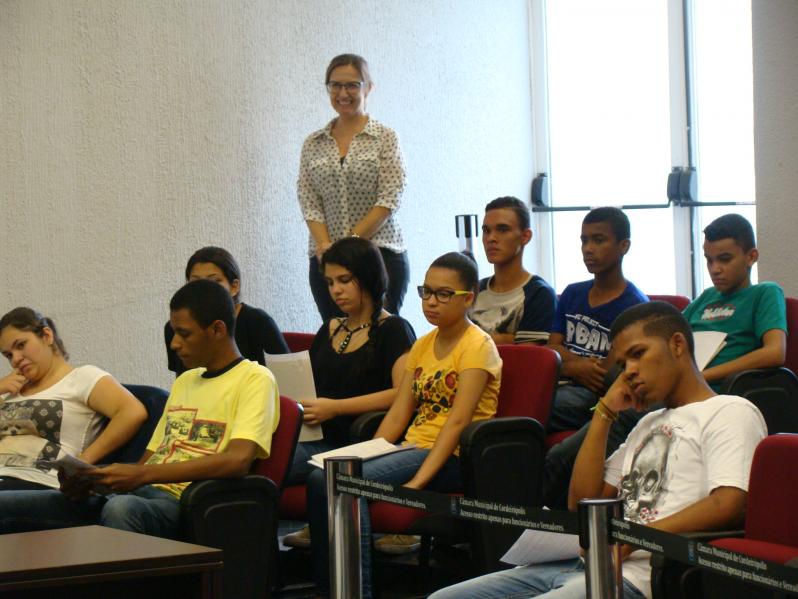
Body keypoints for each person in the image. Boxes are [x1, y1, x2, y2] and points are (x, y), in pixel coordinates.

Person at [430, 301, 767, 599]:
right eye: (622, 363)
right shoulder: (647, 423)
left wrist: (634, 538)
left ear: (677, 344)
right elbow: (583, 501)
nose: (628, 371)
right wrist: (605, 411)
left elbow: (729, 503)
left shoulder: (730, 411)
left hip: (644, 577)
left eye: (638, 354)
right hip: (582, 564)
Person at [0, 279, 280, 539]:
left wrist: (141, 475)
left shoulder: (255, 379)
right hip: (141, 492)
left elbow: (237, 460)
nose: (174, 344)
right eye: (173, 333)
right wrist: (98, 479)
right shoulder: (186, 381)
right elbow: (151, 458)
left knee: (121, 508)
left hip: (189, 501)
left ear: (217, 330)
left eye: (184, 334)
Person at [542, 213, 786, 510]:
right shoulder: (705, 298)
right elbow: (665, 336)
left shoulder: (763, 293)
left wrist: (704, 374)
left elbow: (775, 352)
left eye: (724, 259)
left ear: (751, 256)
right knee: (601, 409)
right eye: (709, 260)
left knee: (593, 436)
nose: (715, 269)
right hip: (674, 393)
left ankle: (550, 510)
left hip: (717, 391)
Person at [305, 252, 502, 599]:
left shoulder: (478, 345)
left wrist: (418, 483)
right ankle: (332, 589)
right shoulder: (423, 344)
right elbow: (399, 413)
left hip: (453, 457)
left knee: (340, 482)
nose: (431, 302)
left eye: (444, 294)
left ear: (468, 298)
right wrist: (366, 453)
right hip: (413, 447)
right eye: (427, 292)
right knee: (323, 477)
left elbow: (458, 421)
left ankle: (358, 591)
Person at [282, 237, 415, 548]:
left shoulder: (394, 329)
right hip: (315, 434)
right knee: (259, 460)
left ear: (368, 277)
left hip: (357, 439)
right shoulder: (331, 328)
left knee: (271, 465)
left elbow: (401, 393)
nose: (336, 290)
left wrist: (336, 407)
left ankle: (324, 529)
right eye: (330, 282)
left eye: (344, 280)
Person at [298, 53, 409, 321]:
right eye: (335, 85)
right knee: (336, 334)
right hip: (327, 260)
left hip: (379, 255)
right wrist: (326, 246)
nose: (343, 93)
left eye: (352, 85)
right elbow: (308, 198)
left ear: (368, 88)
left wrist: (349, 245)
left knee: (379, 334)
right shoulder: (313, 143)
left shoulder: (385, 137)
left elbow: (390, 197)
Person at [0, 307, 147, 491]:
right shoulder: (9, 391)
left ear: (46, 336)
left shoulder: (81, 378)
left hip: (42, 483)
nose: (15, 359)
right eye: (8, 355)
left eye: (21, 345)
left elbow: (133, 412)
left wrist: (81, 464)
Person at [546, 207, 648, 434]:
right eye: (584, 241)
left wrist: (565, 363)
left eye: (599, 240)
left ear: (624, 246)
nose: (588, 249)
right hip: (561, 381)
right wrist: (576, 368)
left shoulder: (635, 305)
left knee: (532, 405)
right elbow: (551, 349)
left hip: (594, 395)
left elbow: (605, 374)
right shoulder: (572, 293)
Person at [164, 246, 288, 376]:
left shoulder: (258, 322)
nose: (204, 290)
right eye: (195, 283)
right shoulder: (175, 328)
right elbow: (182, 380)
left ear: (234, 286)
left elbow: (287, 377)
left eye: (214, 281)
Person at [471, 196, 557, 345]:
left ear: (525, 236)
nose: (491, 238)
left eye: (502, 230)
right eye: (486, 230)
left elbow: (526, 354)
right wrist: (507, 339)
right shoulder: (475, 289)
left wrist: (477, 341)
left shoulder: (539, 294)